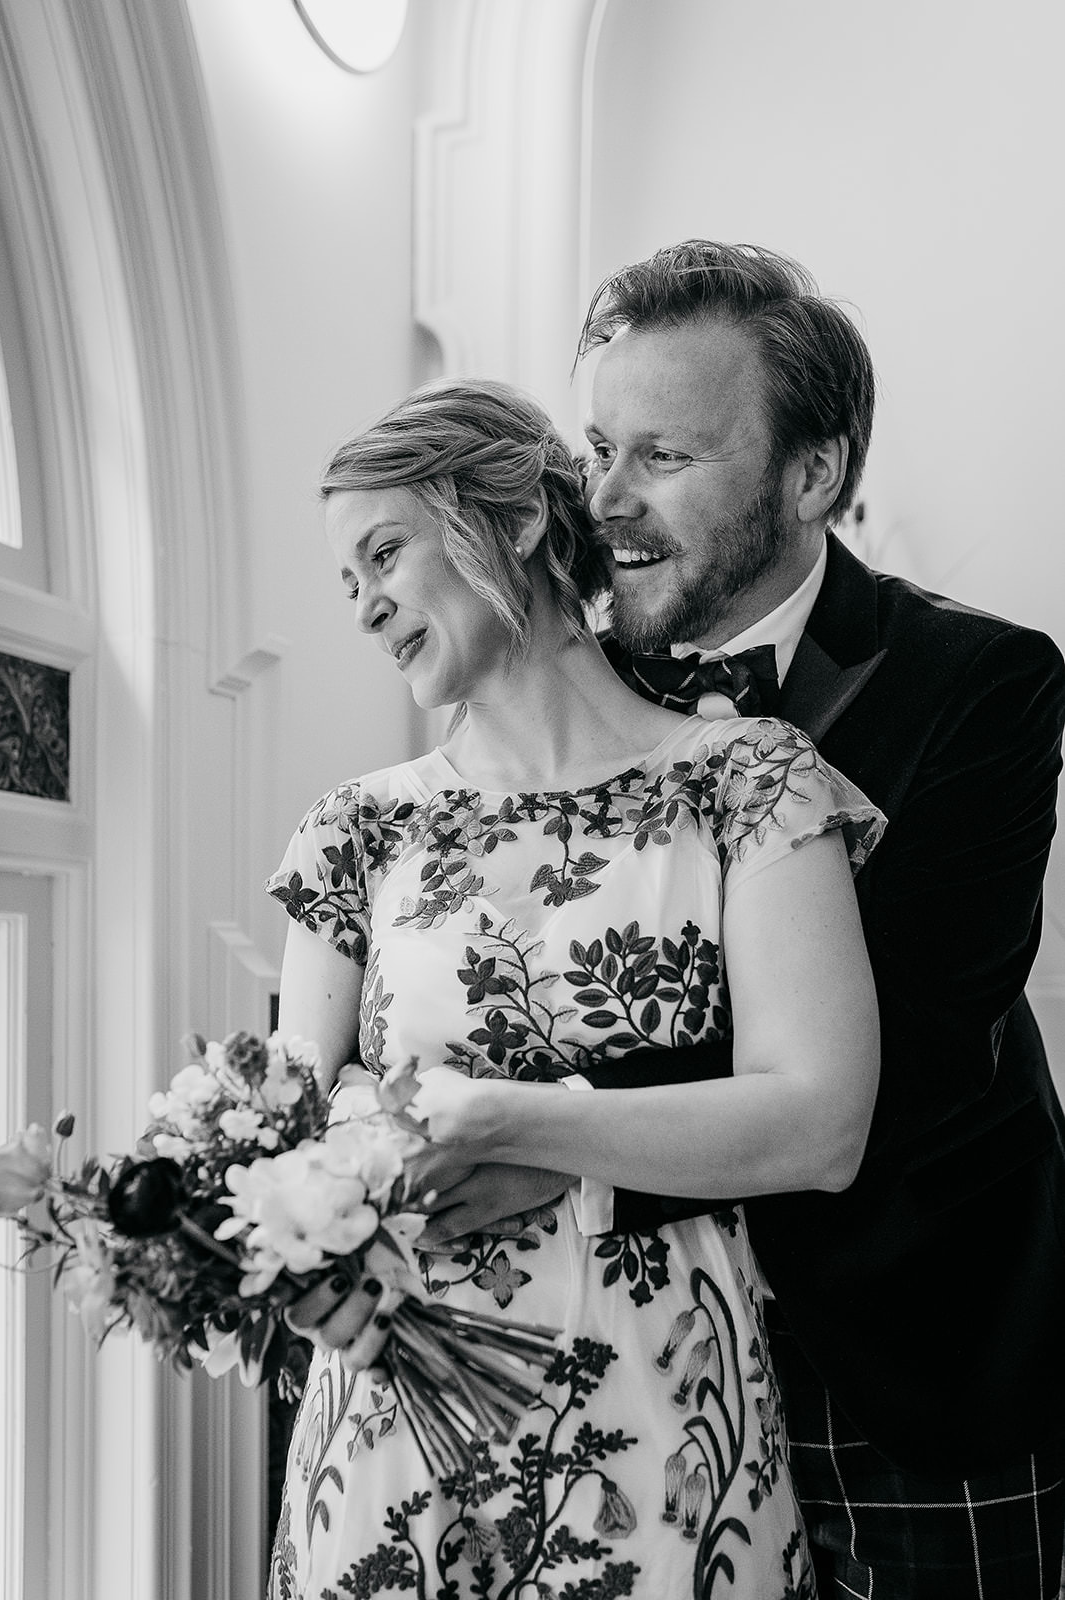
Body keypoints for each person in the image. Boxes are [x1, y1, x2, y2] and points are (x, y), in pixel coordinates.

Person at [402, 242, 1065, 1598]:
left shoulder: (978, 685)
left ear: (809, 474)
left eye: (664, 456)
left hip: (901, 1369)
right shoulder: (557, 676)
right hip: (620, 1359)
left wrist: (550, 1142)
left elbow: (916, 1058)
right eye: (596, 448)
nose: (607, 502)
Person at [264, 375, 884, 1598]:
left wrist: (514, 1119)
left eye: (382, 553)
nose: (365, 605)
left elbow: (820, 1124)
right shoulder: (357, 830)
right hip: (394, 1428)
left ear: (518, 521)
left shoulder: (745, 782)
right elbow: (288, 1122)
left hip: (659, 1420)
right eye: (347, 582)